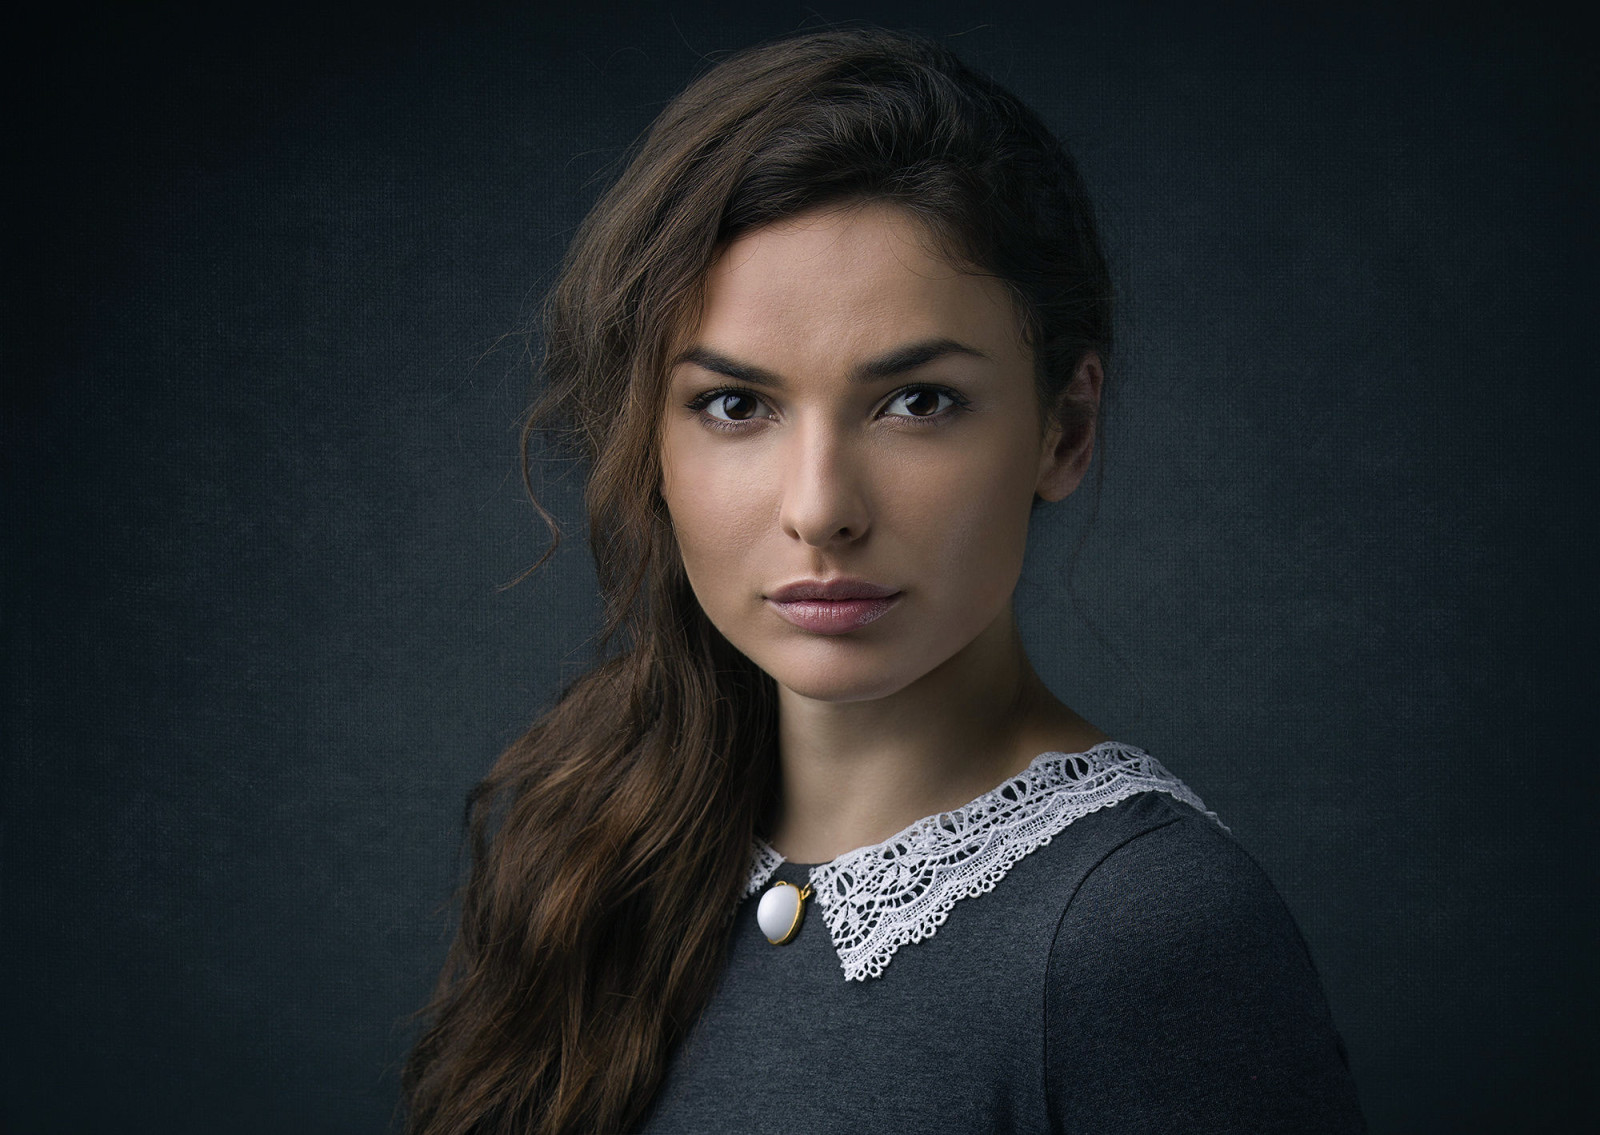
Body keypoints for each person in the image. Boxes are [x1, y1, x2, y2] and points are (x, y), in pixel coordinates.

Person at [400, 26, 1366, 1135]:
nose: (820, 507)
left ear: (1066, 426)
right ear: (647, 441)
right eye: (734, 405)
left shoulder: (1141, 933)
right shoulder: (603, 849)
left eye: (915, 402)